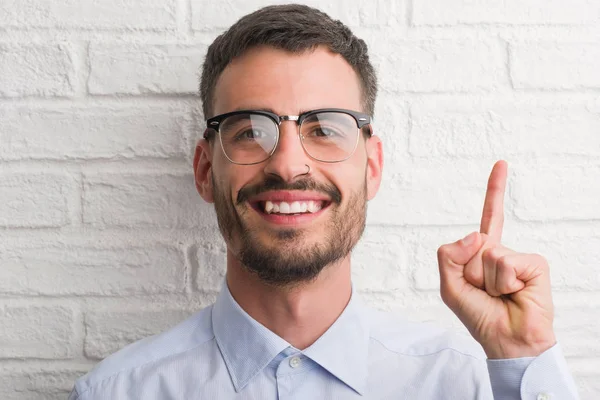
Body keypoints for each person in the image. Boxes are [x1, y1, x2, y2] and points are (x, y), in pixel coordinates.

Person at [69, 4, 579, 399]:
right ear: (206, 170)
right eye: (250, 130)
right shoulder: (117, 391)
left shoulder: (465, 385)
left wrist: (523, 353)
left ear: (372, 166)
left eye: (325, 129)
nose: (289, 165)